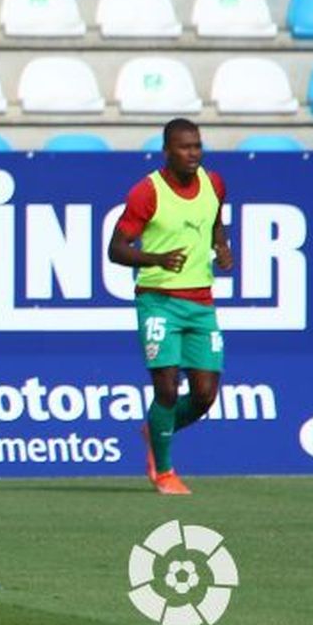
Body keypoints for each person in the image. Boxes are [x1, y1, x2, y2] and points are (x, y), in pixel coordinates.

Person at [106, 119, 234, 496]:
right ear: (167, 151)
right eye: (184, 147)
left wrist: (222, 246)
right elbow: (116, 249)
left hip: (201, 303)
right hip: (158, 301)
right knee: (165, 387)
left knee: (205, 395)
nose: (193, 153)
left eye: (197, 145)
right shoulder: (148, 192)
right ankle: (164, 473)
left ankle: (156, 428)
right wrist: (157, 259)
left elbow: (214, 221)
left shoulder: (214, 183)